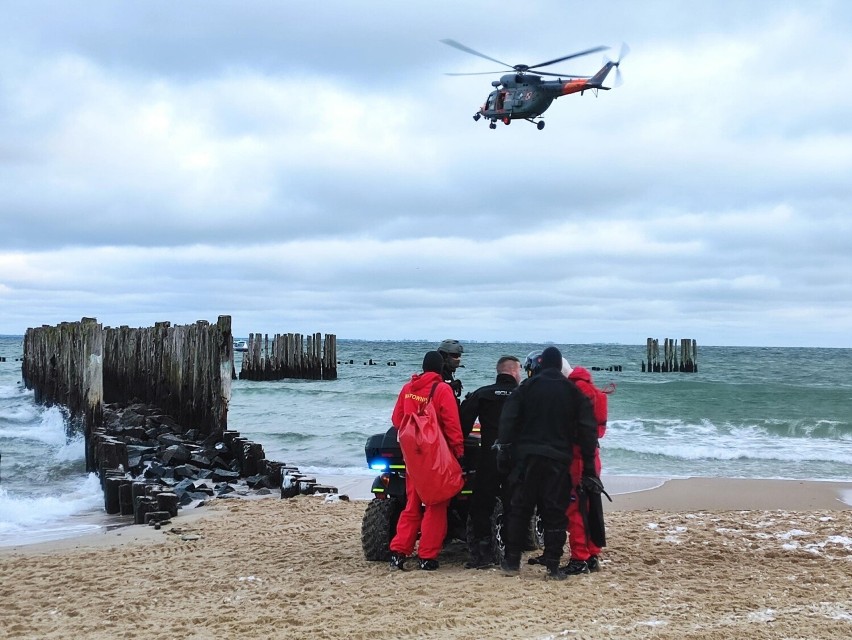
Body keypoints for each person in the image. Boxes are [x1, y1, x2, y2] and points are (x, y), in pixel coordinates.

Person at [495, 346, 598, 580]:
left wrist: (503, 453)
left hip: (526, 458)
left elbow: (508, 421)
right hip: (558, 460)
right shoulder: (572, 391)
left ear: (540, 364)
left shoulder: (526, 388)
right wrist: (589, 469)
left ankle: (512, 561)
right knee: (555, 513)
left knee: (520, 510)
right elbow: (587, 431)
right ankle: (552, 566)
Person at [388, 350, 465, 572]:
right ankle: (427, 556)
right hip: (435, 455)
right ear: (441, 368)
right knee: (436, 504)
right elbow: (452, 425)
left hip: (412, 455)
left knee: (412, 504)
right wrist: (458, 451)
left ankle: (399, 552)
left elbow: (396, 420)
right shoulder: (442, 389)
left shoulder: (408, 388)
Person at [459, 355, 523, 569]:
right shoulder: (524, 394)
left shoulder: (483, 393)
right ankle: (511, 556)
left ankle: (483, 555)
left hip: (489, 455)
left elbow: (462, 425)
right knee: (514, 505)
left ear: (499, 371)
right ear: (514, 371)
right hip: (516, 458)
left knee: (481, 506)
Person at [562, 357, 612, 574]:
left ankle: (579, 558)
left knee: (575, 509)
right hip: (592, 456)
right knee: (590, 505)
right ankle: (592, 554)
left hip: (577, 457)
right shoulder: (593, 391)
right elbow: (598, 430)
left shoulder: (573, 392)